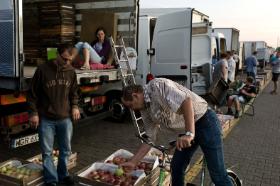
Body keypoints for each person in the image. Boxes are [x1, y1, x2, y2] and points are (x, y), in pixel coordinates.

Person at [121, 78, 233, 186]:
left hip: (205, 121)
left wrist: (189, 133)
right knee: (176, 167)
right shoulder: (145, 109)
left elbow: (186, 101)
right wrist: (133, 162)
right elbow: (149, 138)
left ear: (135, 96)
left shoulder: (157, 86)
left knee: (217, 174)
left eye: (130, 105)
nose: (132, 109)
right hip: (186, 131)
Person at [28, 44, 80, 186]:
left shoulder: (71, 71)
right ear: (57, 54)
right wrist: (33, 113)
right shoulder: (42, 70)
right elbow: (32, 94)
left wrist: (75, 107)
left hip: (65, 118)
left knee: (66, 150)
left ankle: (63, 175)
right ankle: (51, 180)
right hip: (46, 119)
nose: (67, 63)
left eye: (70, 60)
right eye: (65, 59)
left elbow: (74, 92)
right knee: (47, 153)